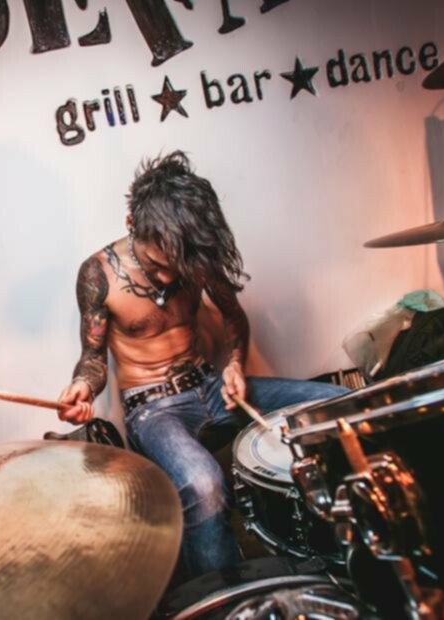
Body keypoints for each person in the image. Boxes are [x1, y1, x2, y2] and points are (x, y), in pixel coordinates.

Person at [57, 151, 347, 581]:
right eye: (157, 265)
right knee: (204, 483)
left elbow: (233, 318)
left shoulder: (191, 252)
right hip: (153, 407)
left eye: (175, 267)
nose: (168, 278)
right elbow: (93, 358)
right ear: (131, 223)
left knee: (341, 404)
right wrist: (83, 385)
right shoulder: (98, 274)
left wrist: (235, 364)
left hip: (212, 387)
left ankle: (349, 551)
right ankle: (223, 598)